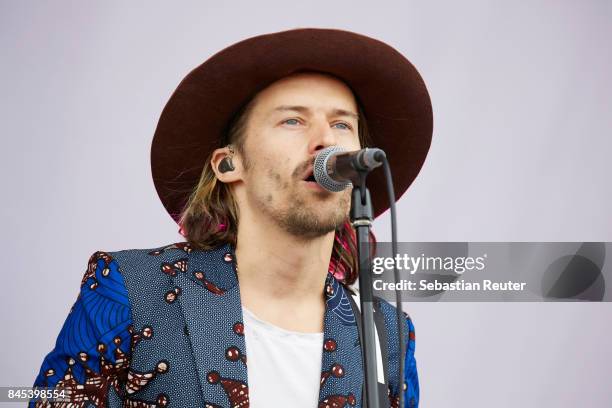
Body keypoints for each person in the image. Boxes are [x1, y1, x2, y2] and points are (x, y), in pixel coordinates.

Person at [30, 28, 433, 407]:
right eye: (293, 120)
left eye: (342, 124)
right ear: (228, 164)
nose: (327, 140)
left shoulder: (389, 335)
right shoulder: (132, 287)